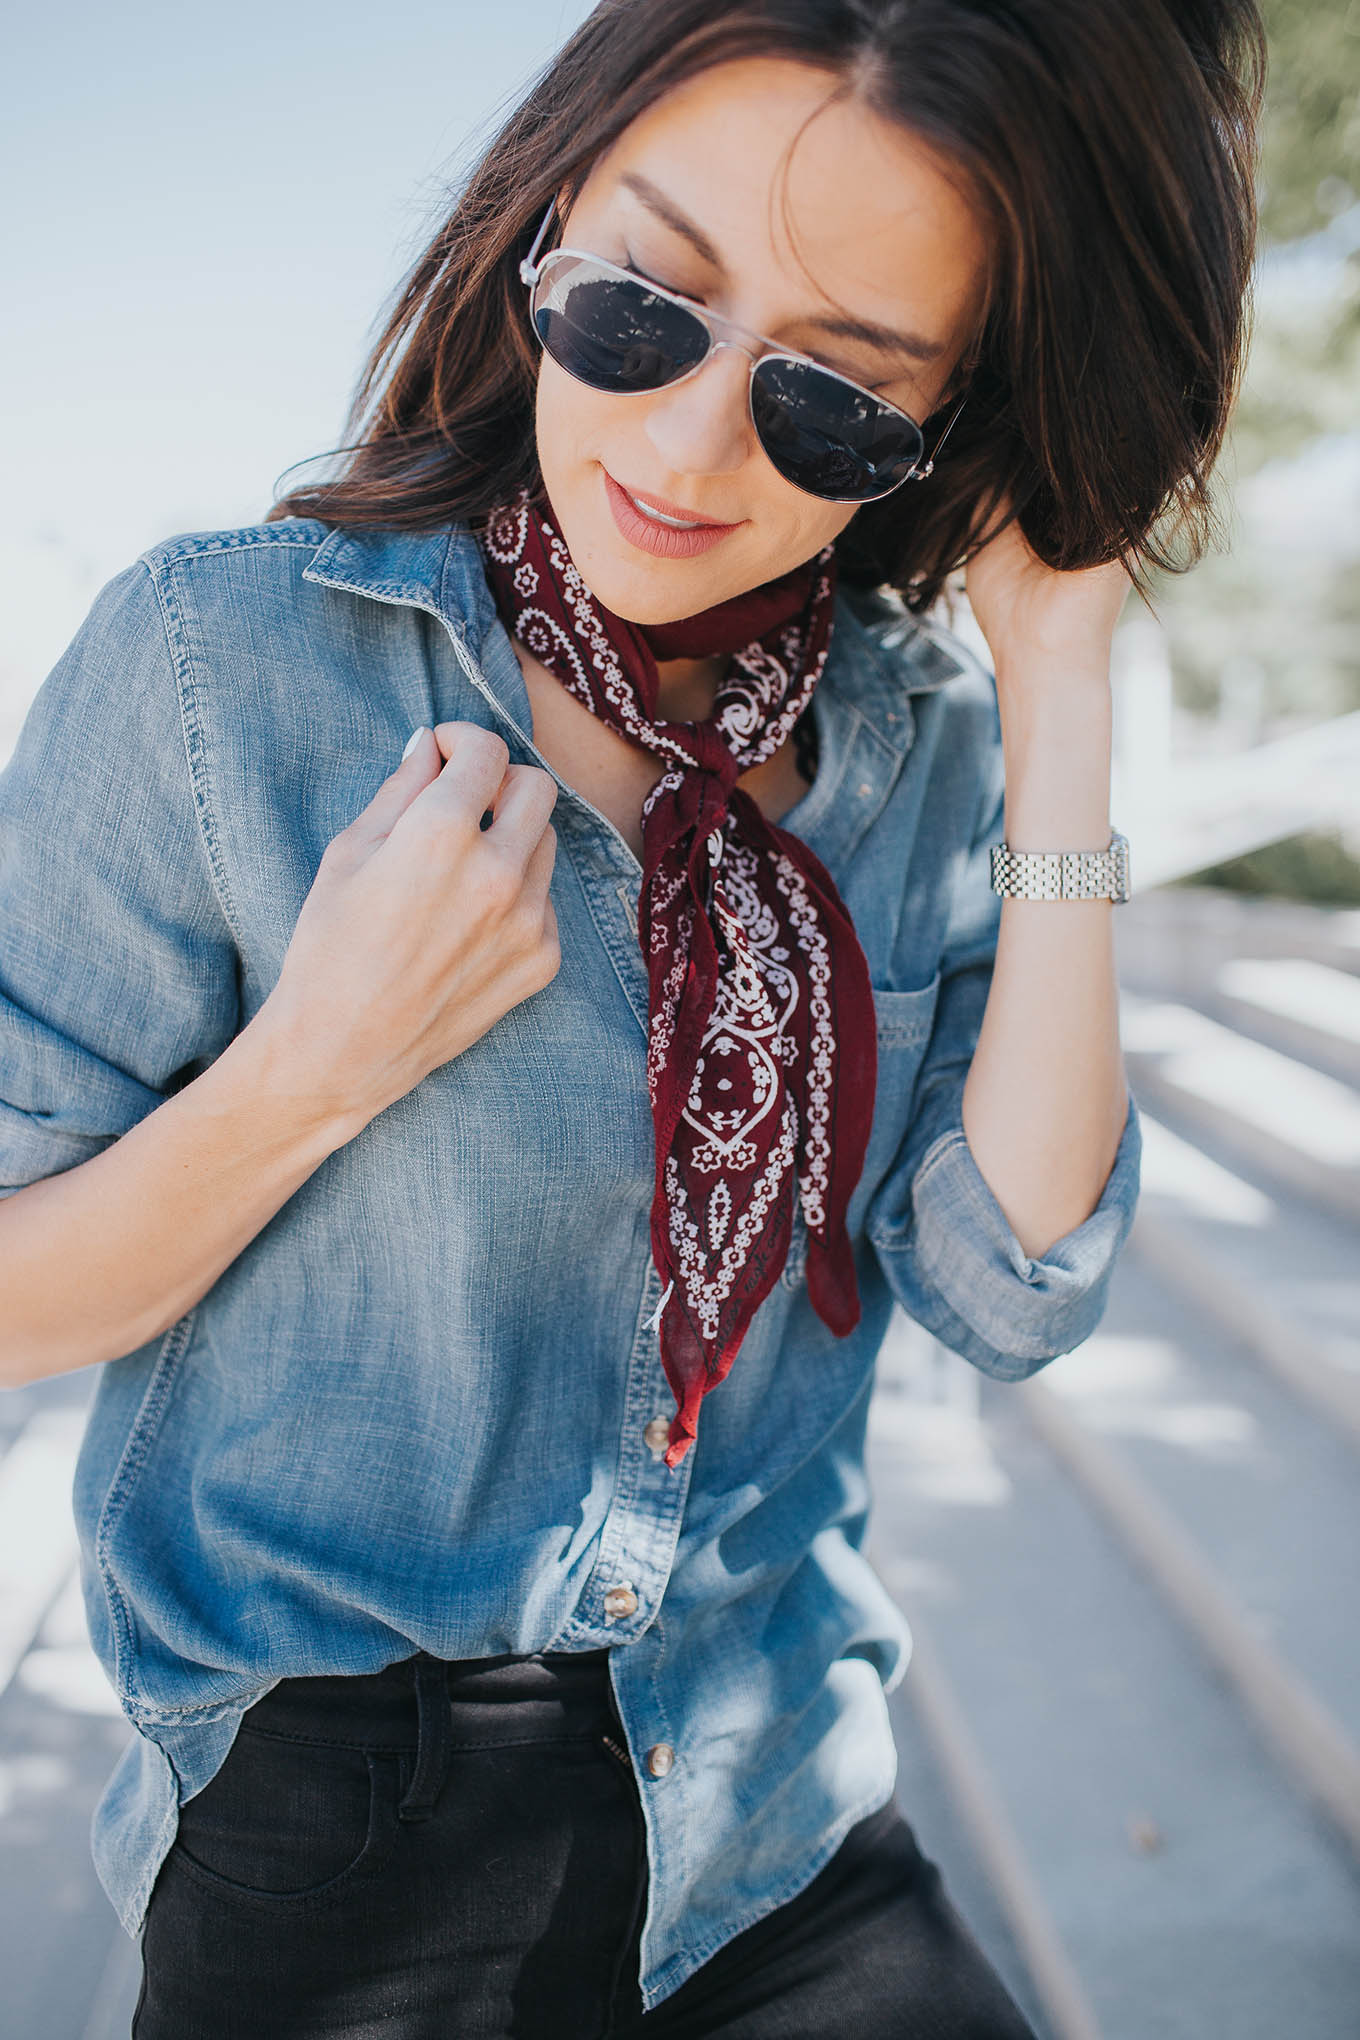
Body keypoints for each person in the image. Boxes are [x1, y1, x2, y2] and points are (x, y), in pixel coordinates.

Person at [0, 1, 1263, 2033]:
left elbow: (1010, 1286)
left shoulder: (914, 743)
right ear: (540, 230)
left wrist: (1059, 691)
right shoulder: (228, 664)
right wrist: (317, 1065)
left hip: (768, 1788)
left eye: (830, 405)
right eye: (642, 307)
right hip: (342, 1824)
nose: (682, 449)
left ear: (940, 433)